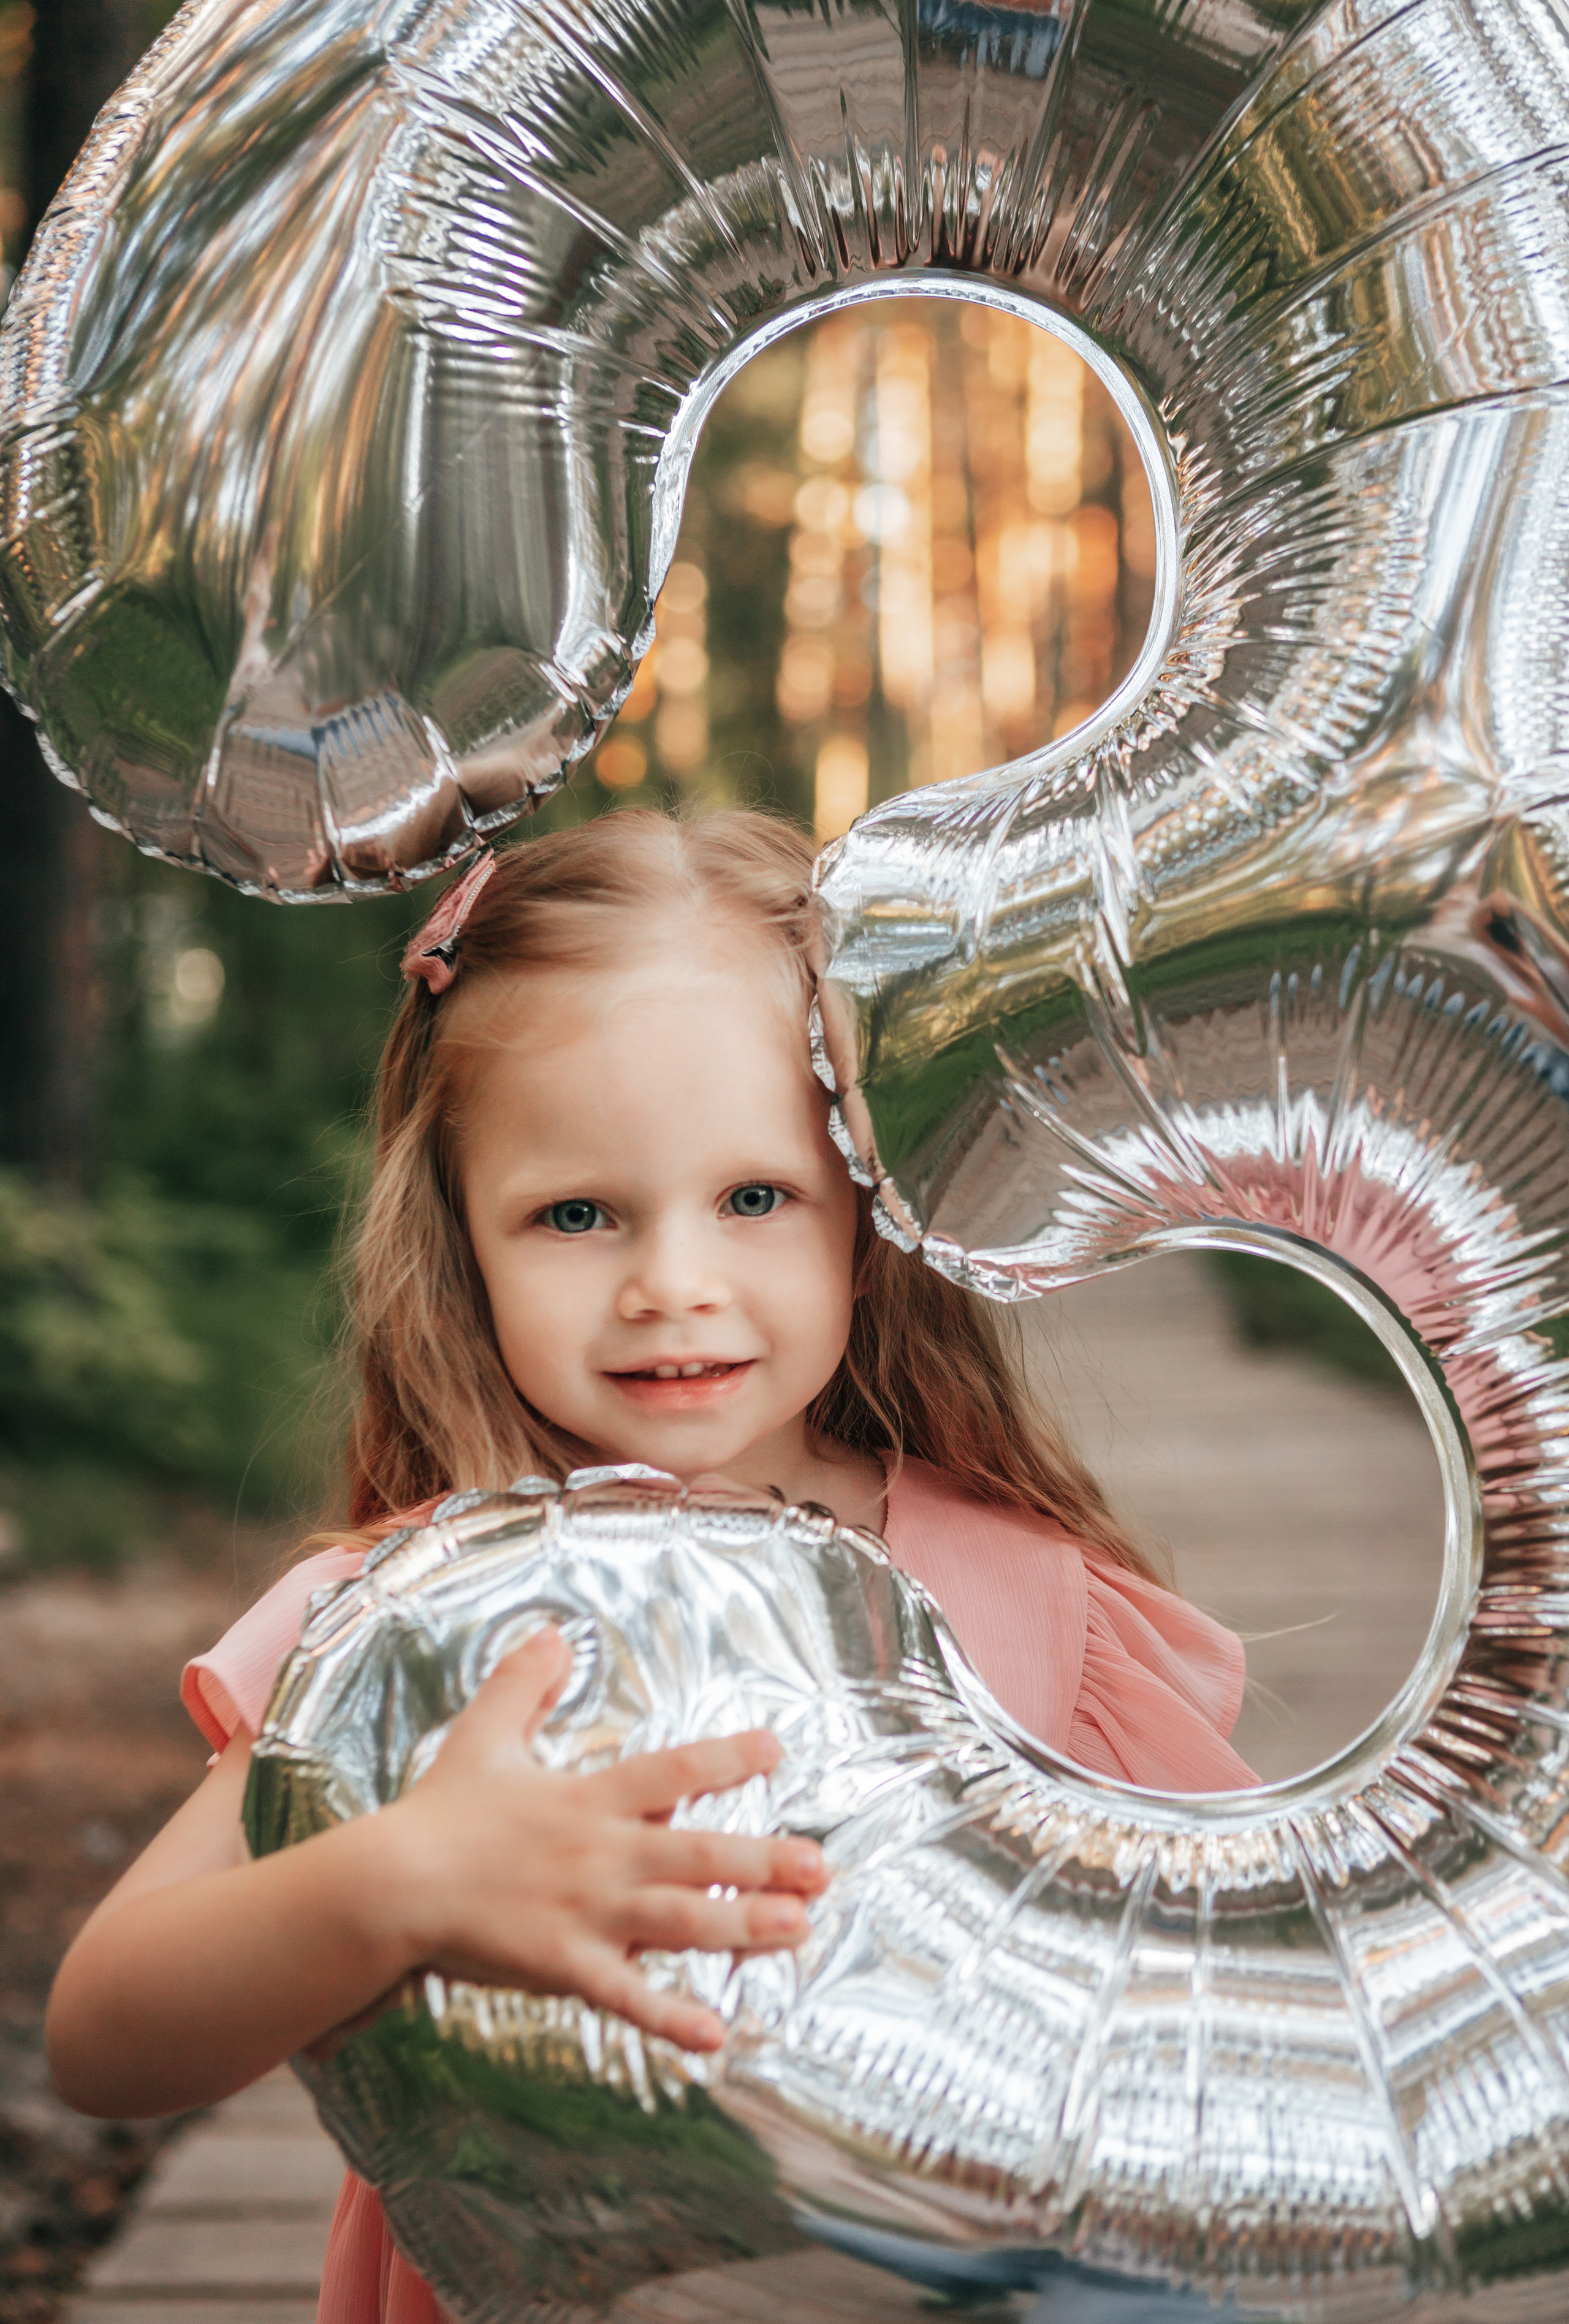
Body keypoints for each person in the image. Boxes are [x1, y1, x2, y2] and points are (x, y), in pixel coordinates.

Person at [45, 808, 1256, 2322]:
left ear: (869, 1214)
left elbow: (1233, 2019)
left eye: (754, 1198)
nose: (670, 1286)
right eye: (574, 1214)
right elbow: (106, 2037)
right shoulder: (411, 1626)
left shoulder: (1028, 1602)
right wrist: (396, 1880)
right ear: (461, 1239)